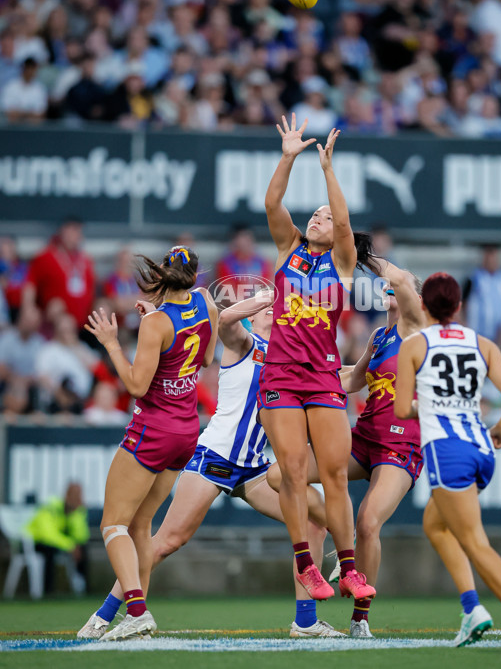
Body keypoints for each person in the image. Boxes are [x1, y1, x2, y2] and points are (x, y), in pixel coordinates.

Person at [78, 291, 344, 640]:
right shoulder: (242, 341)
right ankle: (105, 614)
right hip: (215, 457)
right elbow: (225, 319)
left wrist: (368, 362)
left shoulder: (289, 358)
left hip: (254, 468)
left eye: (275, 309)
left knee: (313, 520)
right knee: (167, 540)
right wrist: (265, 295)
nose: (272, 312)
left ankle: (306, 621)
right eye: (267, 308)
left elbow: (337, 375)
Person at [395, 272, 501, 653]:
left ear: (423, 306)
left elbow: (401, 409)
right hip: (481, 447)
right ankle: (471, 610)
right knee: (435, 525)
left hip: (448, 452)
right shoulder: (483, 343)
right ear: (460, 306)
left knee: (475, 542)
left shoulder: (414, 345)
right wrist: (500, 428)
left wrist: (429, 406)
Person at [268, 265, 425, 637]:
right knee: (278, 476)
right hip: (365, 436)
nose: (388, 287)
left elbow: (399, 280)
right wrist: (295, 375)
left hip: (401, 443)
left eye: (397, 286)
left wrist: (369, 257)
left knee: (369, 522)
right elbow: (353, 380)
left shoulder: (418, 331)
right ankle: (342, 537)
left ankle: (360, 618)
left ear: (415, 299)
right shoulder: (381, 335)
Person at [259, 114, 376, 603]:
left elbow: (345, 223)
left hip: (324, 376)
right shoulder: (289, 248)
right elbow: (272, 202)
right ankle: (306, 564)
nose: (318, 218)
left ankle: (348, 569)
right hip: (281, 375)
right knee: (290, 470)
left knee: (332, 474)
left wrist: (328, 169)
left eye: (325, 217)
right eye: (316, 214)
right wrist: (288, 158)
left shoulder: (343, 262)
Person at [83, 245, 218, 641]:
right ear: (194, 277)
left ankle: (138, 612)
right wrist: (156, 326)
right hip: (186, 430)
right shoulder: (204, 303)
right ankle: (120, 614)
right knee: (141, 524)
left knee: (113, 525)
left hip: (153, 428)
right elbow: (206, 358)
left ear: (162, 273)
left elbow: (137, 385)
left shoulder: (156, 322)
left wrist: (111, 343)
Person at [25, 482, 89, 595]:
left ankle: (83, 589)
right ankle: (48, 591)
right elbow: (47, 534)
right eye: (74, 494)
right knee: (49, 551)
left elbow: (81, 537)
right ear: (66, 494)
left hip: (58, 543)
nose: (77, 498)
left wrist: (77, 514)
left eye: (79, 495)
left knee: (83, 548)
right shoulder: (51, 507)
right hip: (35, 542)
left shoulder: (76, 511)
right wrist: (70, 545)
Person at [462, 245, 501, 343]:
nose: (492, 261)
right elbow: (464, 302)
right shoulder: (473, 277)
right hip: (477, 333)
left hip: (499, 335)